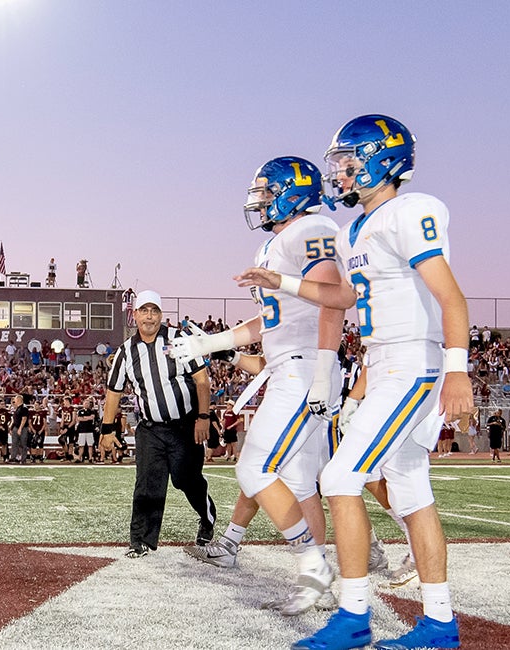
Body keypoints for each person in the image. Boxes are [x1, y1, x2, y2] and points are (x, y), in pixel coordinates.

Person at [237, 115, 469, 649]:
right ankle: (439, 623)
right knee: (411, 491)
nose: (338, 173)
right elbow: (345, 299)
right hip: (384, 361)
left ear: (381, 161)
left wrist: (458, 369)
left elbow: (451, 297)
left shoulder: (409, 212)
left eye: (348, 162)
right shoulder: (357, 229)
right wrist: (284, 282)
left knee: (341, 477)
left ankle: (353, 614)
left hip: (412, 362)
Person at [170, 156, 342, 615]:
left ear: (291, 191)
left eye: (267, 192)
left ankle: (314, 566)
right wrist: (212, 341)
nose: (259, 201)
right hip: (294, 363)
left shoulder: (311, 229)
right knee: (301, 482)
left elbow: (332, 301)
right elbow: (270, 320)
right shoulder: (279, 243)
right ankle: (317, 578)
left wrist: (324, 371)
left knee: (254, 470)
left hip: (304, 367)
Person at [103, 290, 216, 558]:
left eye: (154, 310)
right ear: (135, 315)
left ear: (161, 315)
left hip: (184, 425)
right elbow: (113, 392)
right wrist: (107, 429)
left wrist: (203, 418)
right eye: (144, 310)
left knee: (185, 480)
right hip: (151, 428)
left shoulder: (179, 339)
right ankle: (139, 540)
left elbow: (202, 380)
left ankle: (207, 516)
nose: (149, 316)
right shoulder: (125, 352)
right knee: (146, 484)